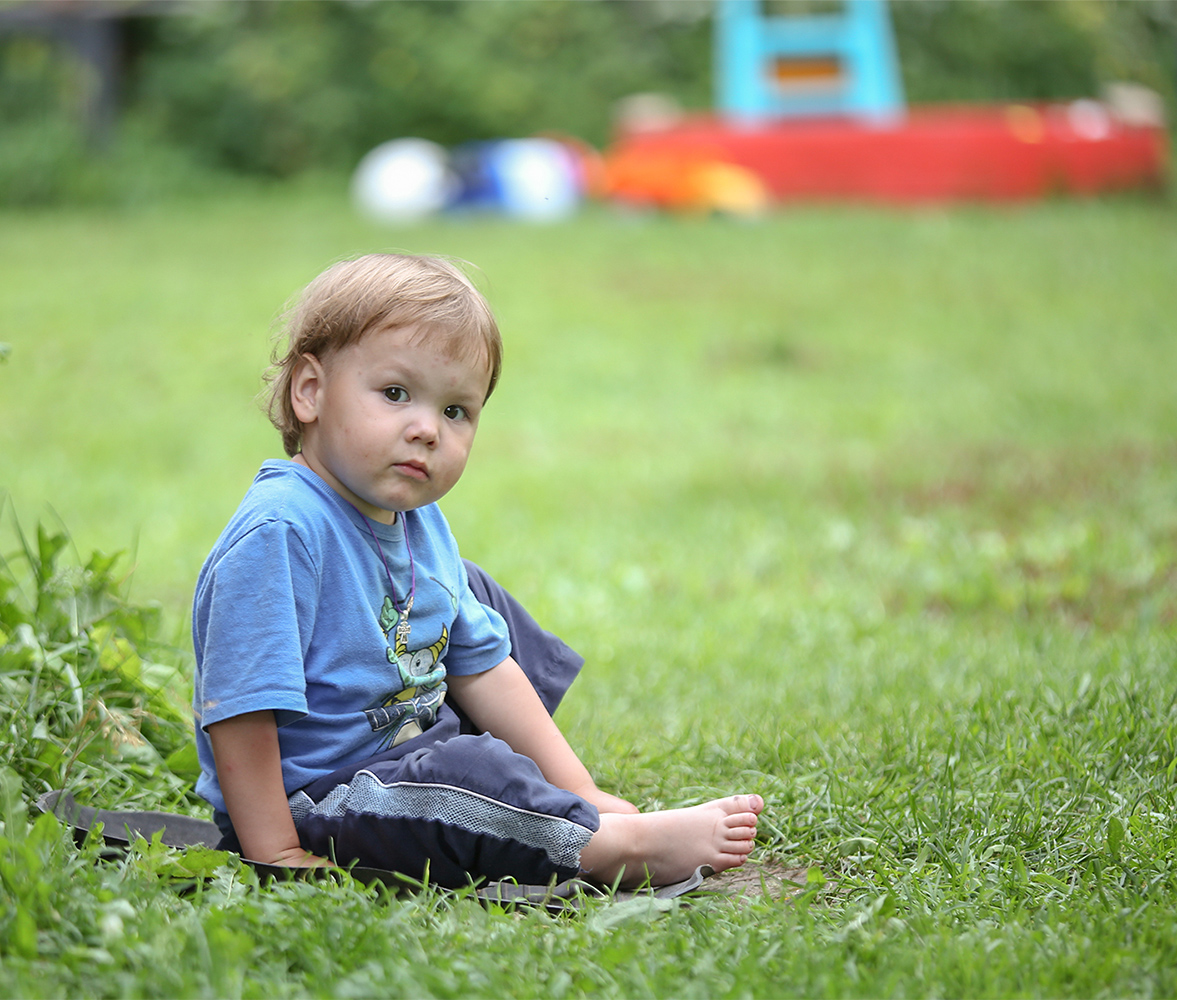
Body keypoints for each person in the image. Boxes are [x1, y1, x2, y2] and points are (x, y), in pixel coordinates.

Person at [192, 253, 763, 889]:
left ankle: (563, 802)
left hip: (412, 741)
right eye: (396, 394)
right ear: (310, 391)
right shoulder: (282, 533)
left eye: (456, 411)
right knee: (465, 777)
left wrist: (582, 787)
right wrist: (274, 850)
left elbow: (483, 664)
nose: (426, 430)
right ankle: (611, 849)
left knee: (474, 596)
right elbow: (240, 711)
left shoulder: (416, 520)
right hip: (324, 800)